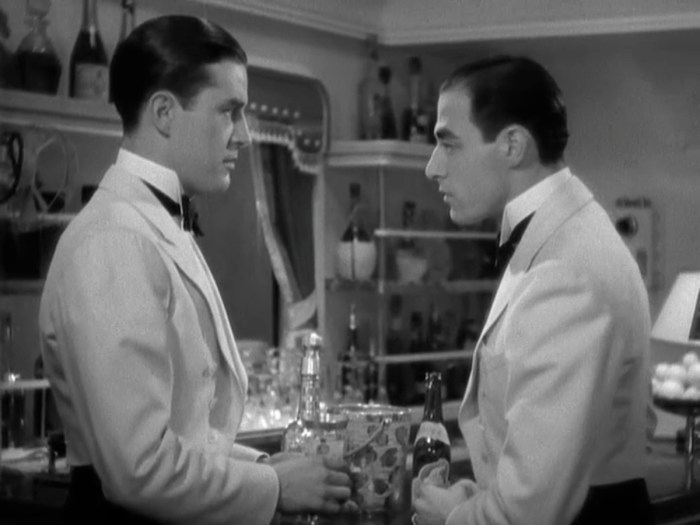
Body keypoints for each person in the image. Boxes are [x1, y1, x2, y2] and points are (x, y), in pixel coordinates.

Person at [38, 15, 351, 525]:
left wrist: (267, 467)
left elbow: (189, 434)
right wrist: (274, 488)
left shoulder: (154, 223)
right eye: (229, 112)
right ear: (164, 112)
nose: (245, 136)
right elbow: (139, 469)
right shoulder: (114, 240)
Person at [413, 55, 654, 525]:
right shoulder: (558, 237)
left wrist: (453, 517)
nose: (432, 167)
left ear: (513, 145)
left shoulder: (567, 269)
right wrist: (475, 495)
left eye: (448, 144)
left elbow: (530, 512)